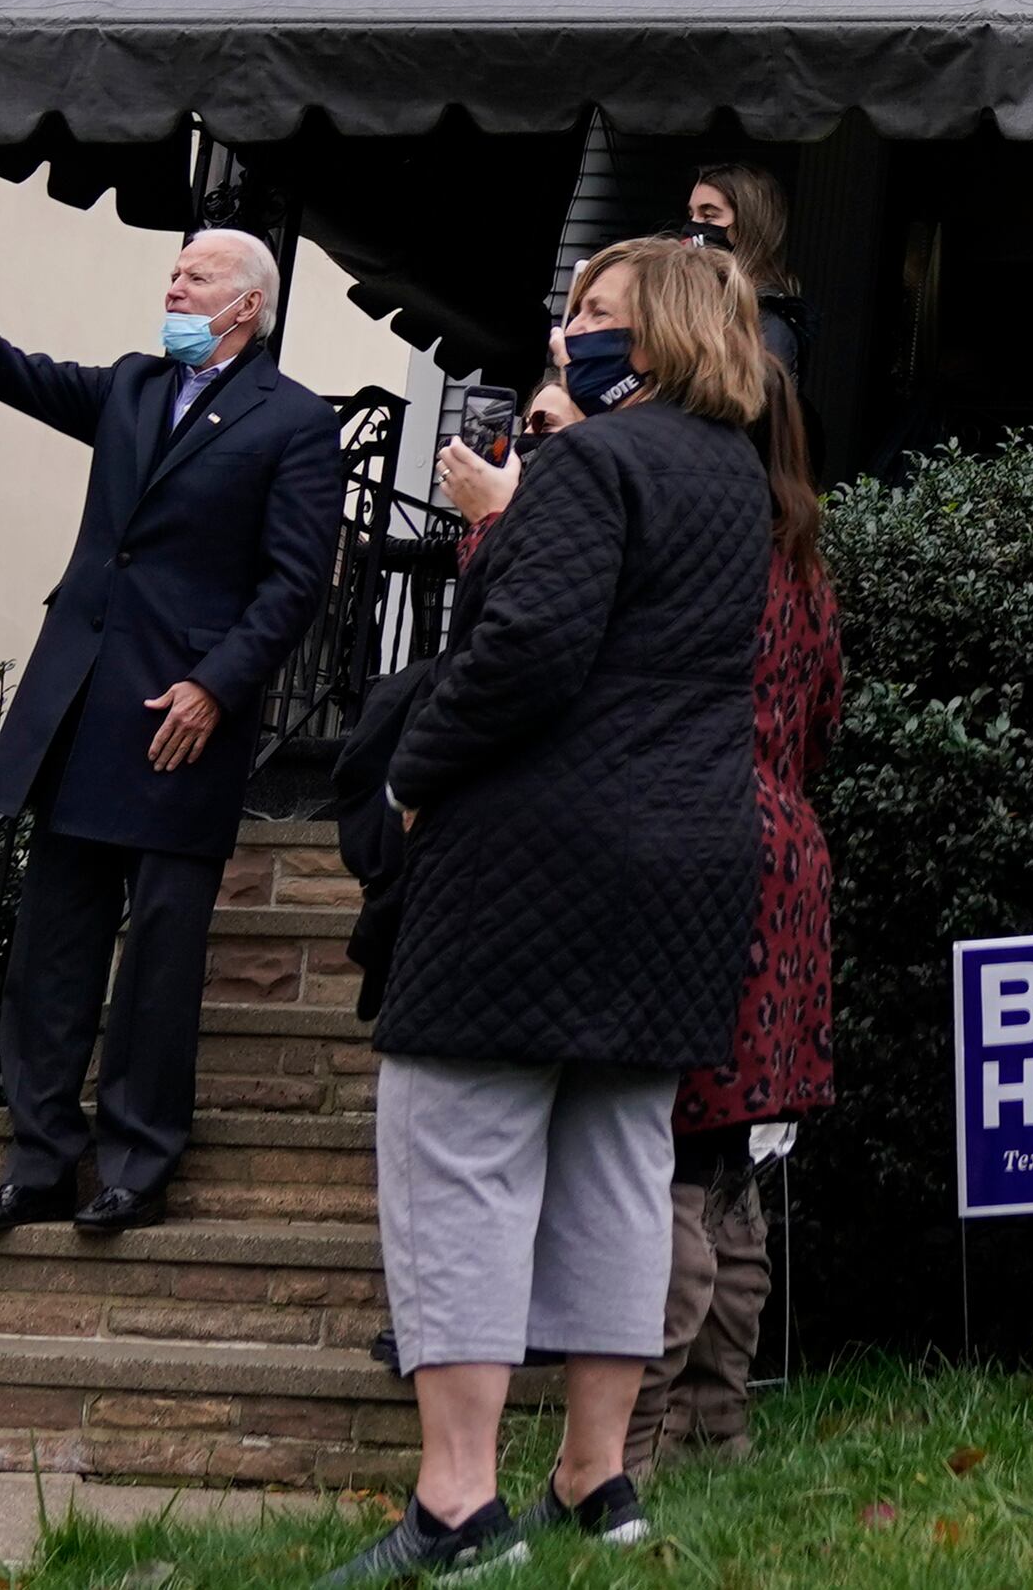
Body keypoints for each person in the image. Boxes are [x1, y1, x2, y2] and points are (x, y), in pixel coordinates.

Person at [334, 237, 772, 1581]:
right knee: (622, 1165)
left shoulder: (589, 463)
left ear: (660, 339)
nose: (570, 327)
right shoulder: (739, 483)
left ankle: (457, 1505)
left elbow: (529, 648)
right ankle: (598, 1475)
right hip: (690, 852)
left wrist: (414, 767)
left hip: (537, 853)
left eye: (595, 311)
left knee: (458, 1150)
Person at [0, 206, 343, 1236]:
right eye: (171, 275)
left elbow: (297, 580)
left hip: (185, 721)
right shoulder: (134, 385)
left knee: (160, 962)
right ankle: (39, 1160)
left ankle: (137, 1162)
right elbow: (13, 372)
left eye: (193, 277)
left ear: (246, 307)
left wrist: (218, 686)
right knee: (51, 953)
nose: (172, 290)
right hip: (84, 709)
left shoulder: (295, 421)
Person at [636, 293, 840, 1473]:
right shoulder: (805, 565)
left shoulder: (698, 549)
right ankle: (724, 1427)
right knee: (729, 1157)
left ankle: (645, 1430)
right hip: (785, 850)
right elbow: (816, 728)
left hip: (695, 846)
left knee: (663, 1149)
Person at [686, 165, 808, 367]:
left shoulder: (767, 322)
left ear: (747, 225)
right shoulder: (694, 298)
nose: (693, 226)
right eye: (691, 215)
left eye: (709, 216)